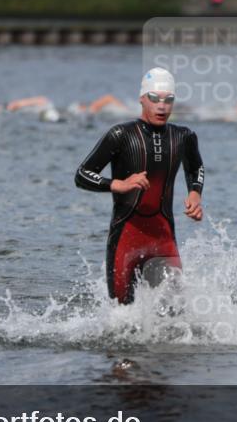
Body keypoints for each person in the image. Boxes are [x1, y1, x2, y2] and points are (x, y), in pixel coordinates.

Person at [75, 68, 205, 304]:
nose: (162, 106)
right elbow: (82, 175)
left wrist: (195, 193)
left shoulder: (183, 136)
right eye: (154, 99)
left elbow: (196, 168)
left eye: (169, 100)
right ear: (142, 99)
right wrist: (117, 184)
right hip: (126, 239)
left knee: (176, 314)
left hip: (163, 238)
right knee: (121, 320)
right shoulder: (120, 135)